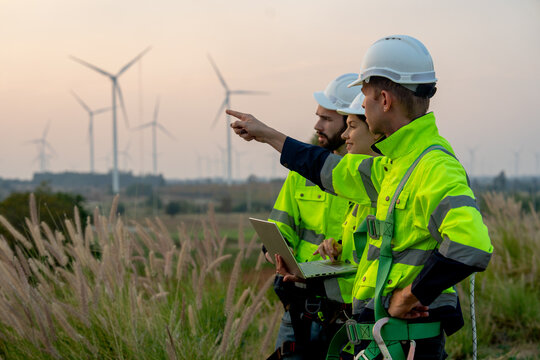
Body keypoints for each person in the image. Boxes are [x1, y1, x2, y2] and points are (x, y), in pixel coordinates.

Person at [228, 35, 493, 359]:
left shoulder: (433, 166)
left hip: (407, 343)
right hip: (386, 340)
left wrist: (410, 295)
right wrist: (267, 134)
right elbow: (330, 170)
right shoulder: (395, 164)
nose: (361, 104)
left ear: (384, 100)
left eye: (364, 94)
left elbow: (473, 244)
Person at [266, 73, 363, 360]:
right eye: (317, 116)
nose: (316, 126)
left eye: (326, 119)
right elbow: (280, 225)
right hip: (301, 306)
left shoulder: (369, 176)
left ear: (350, 121)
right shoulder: (301, 174)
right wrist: (276, 250)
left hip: (350, 312)